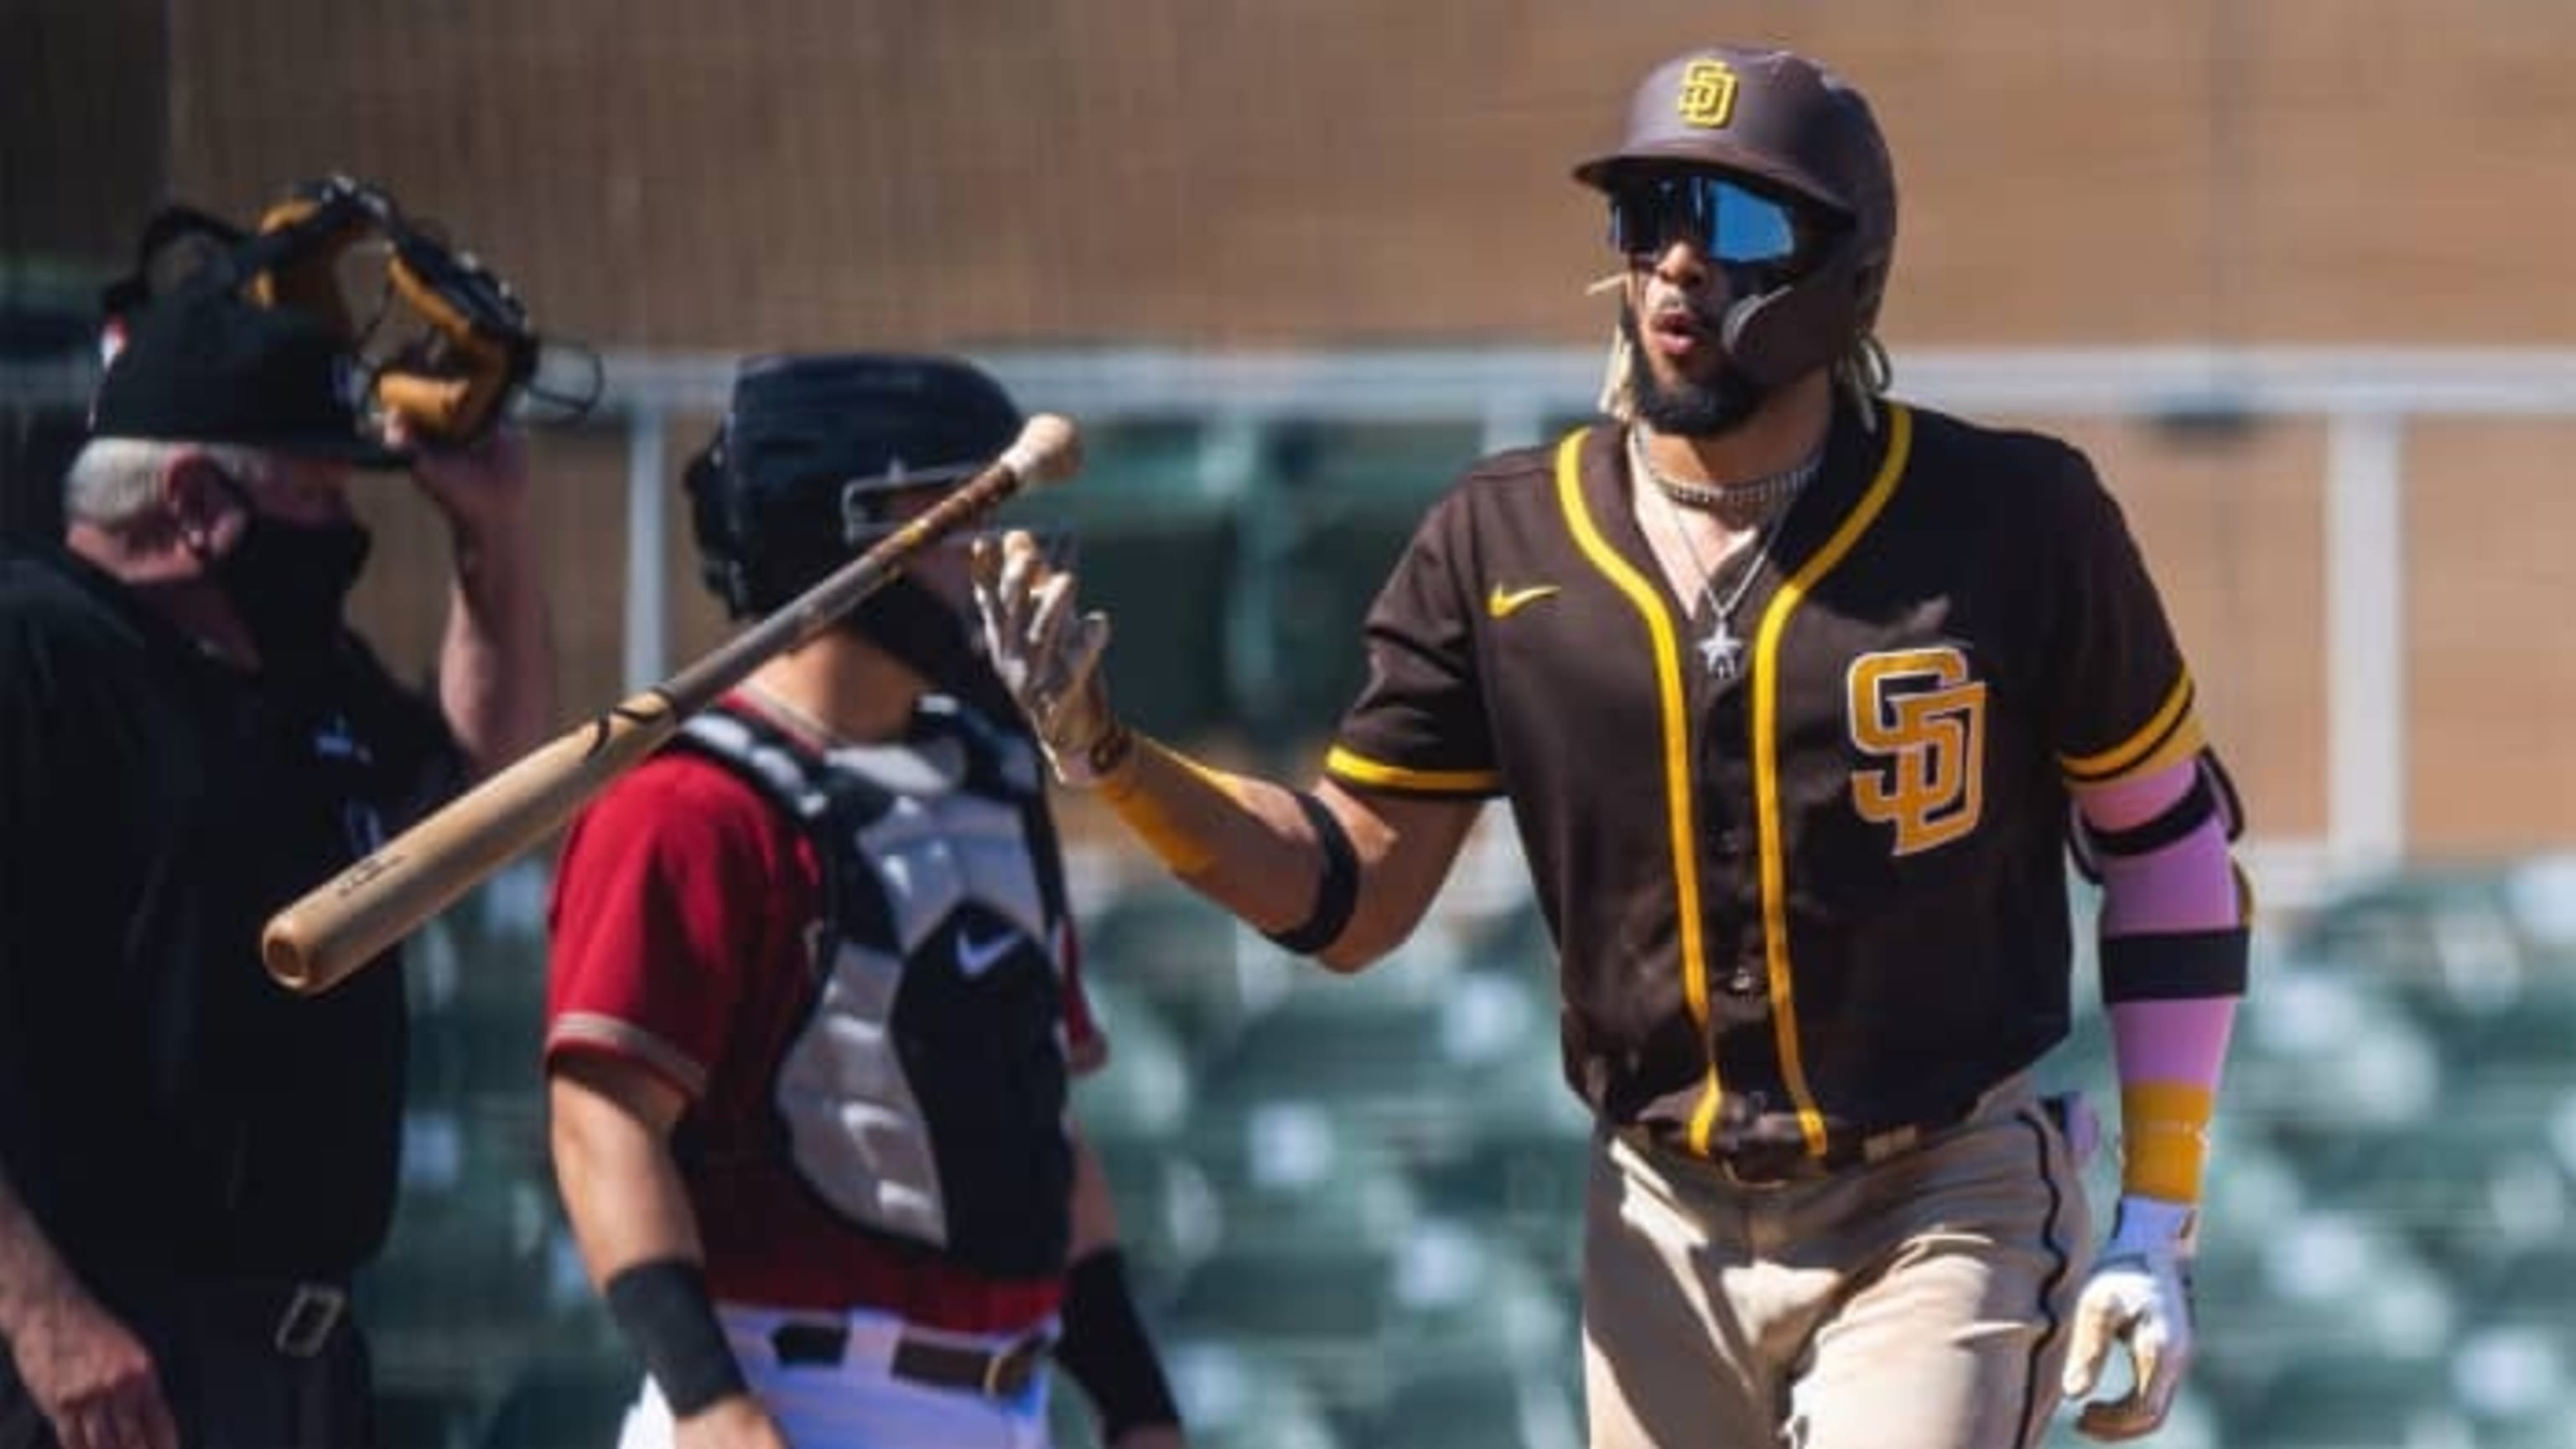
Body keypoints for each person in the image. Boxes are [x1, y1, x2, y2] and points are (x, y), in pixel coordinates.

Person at [973, 42, 2250, 1449]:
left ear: (1847, 266)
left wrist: (2159, 1221)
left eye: (1737, 220)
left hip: (1941, 1189)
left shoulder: (2013, 517)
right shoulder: (1500, 537)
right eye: (1648, 215)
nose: (1678, 264)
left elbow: (2167, 848)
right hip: (1657, 1209)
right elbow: (1351, 891)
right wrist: (1117, 762)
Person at [543, 352, 1187, 1449]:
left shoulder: (993, 774)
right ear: (849, 532)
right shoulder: (687, 805)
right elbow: (601, 1117)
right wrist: (707, 1402)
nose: (1005, 559)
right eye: (965, 512)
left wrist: (1136, 1404)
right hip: (787, 1394)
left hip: (1007, 1405)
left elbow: (1040, 1125)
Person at [0, 280, 553, 1449]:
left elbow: (483, 806)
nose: (339, 532)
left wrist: (490, 533)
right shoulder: (39, 654)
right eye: (311, 494)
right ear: (193, 499)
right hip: (95, 1360)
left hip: (299, 1359)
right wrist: (37, 1310)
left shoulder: (294, 672)